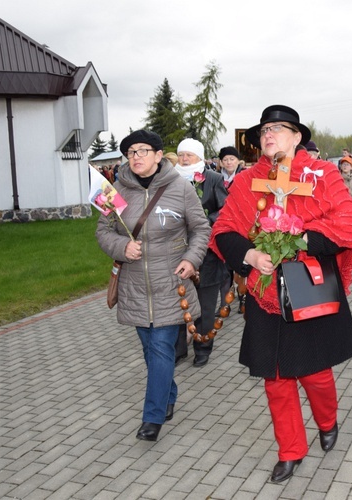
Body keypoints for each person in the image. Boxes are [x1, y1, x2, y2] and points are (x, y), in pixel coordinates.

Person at [209, 104, 352, 483]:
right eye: (263, 131)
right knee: (276, 377)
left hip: (307, 285)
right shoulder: (247, 182)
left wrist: (301, 238)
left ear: (297, 137)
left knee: (315, 373)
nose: (268, 135)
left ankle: (327, 421)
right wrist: (251, 254)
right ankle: (291, 450)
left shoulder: (322, 175)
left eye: (278, 129)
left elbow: (348, 227)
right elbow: (226, 230)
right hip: (265, 292)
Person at [96, 130, 211, 441]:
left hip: (171, 280)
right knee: (151, 351)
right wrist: (121, 248)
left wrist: (192, 258)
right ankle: (168, 395)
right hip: (134, 285)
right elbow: (102, 231)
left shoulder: (181, 188)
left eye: (143, 150)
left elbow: (201, 228)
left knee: (161, 349)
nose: (136, 156)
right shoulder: (114, 191)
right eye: (131, 151)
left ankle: (152, 418)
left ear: (159, 156)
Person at [174, 138, 229, 368]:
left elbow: (226, 210)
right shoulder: (170, 179)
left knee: (206, 306)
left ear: (199, 157)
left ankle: (203, 348)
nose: (184, 159)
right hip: (177, 253)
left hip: (207, 254)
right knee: (177, 303)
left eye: (189, 155)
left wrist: (202, 221)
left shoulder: (213, 179)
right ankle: (178, 350)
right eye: (181, 155)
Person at [217, 145, 246, 314]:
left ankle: (243, 298)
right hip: (223, 223)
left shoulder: (243, 176)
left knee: (241, 262)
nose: (229, 162)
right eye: (225, 159)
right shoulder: (215, 178)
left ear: (238, 161)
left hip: (240, 224)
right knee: (225, 266)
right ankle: (225, 301)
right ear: (221, 162)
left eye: (232, 159)